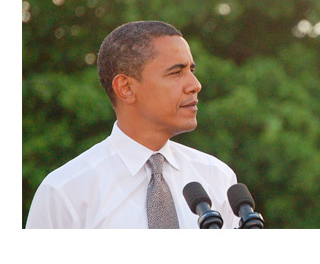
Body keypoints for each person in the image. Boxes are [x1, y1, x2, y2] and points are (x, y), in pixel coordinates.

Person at [26, 21, 239, 229]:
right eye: (176, 72)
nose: (195, 85)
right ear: (126, 88)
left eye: (191, 70)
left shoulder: (218, 178)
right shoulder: (65, 192)